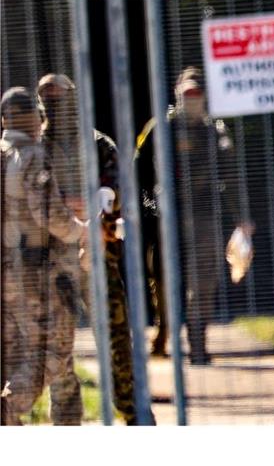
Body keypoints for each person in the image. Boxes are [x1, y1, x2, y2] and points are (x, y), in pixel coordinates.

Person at [36, 73, 152, 424]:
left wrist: (89, 209)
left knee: (116, 339)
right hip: (52, 263)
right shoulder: (35, 147)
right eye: (48, 100)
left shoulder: (99, 145)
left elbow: (114, 193)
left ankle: (132, 415)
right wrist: (68, 207)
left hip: (98, 258)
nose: (55, 107)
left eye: (60, 99)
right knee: (58, 348)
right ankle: (68, 422)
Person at [136, 67, 252, 365]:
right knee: (164, 281)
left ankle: (198, 344)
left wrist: (241, 216)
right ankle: (164, 333)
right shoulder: (160, 127)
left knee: (203, 282)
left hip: (203, 213)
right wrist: (148, 209)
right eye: (186, 95)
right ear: (177, 95)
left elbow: (230, 175)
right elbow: (138, 171)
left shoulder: (215, 131)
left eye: (196, 95)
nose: (191, 100)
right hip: (167, 216)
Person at [1, 87, 88, 425]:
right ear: (36, 119)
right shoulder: (33, 156)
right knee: (51, 354)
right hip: (33, 272)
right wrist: (81, 231)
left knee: (14, 354)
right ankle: (10, 410)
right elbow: (48, 213)